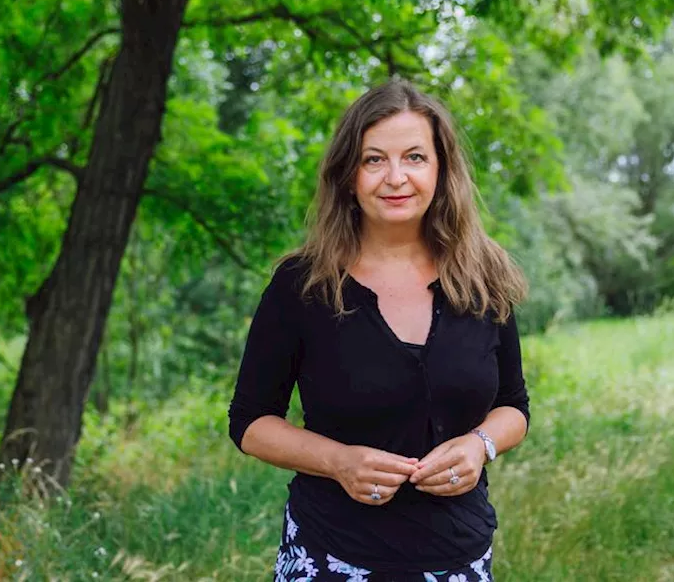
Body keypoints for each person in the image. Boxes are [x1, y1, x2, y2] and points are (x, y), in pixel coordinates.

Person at [227, 80, 531, 581]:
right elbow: (250, 421)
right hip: (330, 556)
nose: (395, 177)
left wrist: (480, 445)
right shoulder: (302, 285)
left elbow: (513, 406)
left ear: (441, 169)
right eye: (374, 160)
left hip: (459, 558)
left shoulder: (485, 275)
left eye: (414, 157)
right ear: (348, 175)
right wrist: (338, 461)